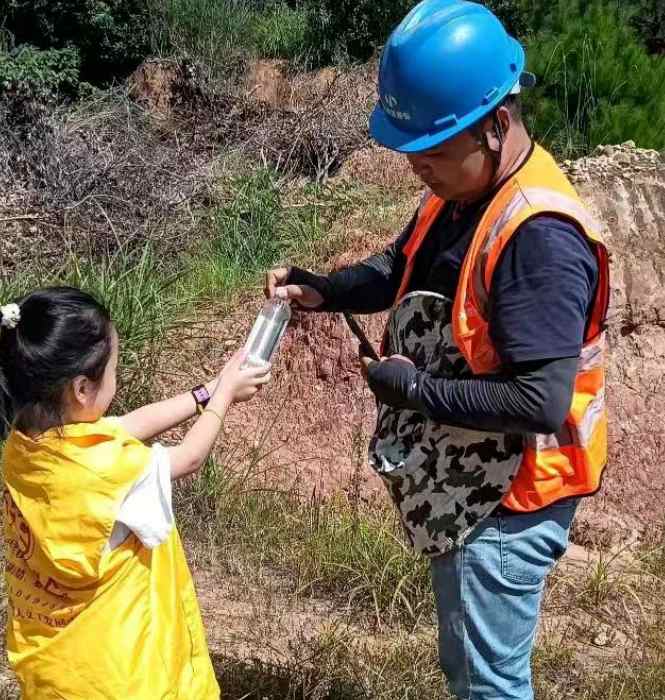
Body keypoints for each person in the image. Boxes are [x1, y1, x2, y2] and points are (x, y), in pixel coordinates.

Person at [265, 1, 610, 698]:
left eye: (433, 151)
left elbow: (539, 402)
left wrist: (412, 391)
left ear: (496, 124)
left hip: (511, 498)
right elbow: (402, 265)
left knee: (488, 684)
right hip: (473, 476)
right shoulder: (462, 188)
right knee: (470, 669)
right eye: (411, 151)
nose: (417, 167)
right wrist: (326, 290)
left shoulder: (538, 239)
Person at [0, 286, 270, 699]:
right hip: (119, 674)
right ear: (82, 389)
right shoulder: (110, 472)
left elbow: (126, 425)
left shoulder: (25, 447)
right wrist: (225, 398)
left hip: (59, 669)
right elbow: (189, 458)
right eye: (114, 368)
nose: (117, 377)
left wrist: (209, 390)